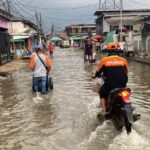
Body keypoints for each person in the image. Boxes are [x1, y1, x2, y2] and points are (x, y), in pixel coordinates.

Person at [93, 45, 128, 115]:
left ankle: (104, 111)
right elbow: (126, 71)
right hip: (122, 84)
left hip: (110, 84)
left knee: (102, 92)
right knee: (126, 93)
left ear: (108, 51)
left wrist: (95, 76)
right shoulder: (123, 60)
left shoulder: (104, 60)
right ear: (117, 51)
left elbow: (98, 72)